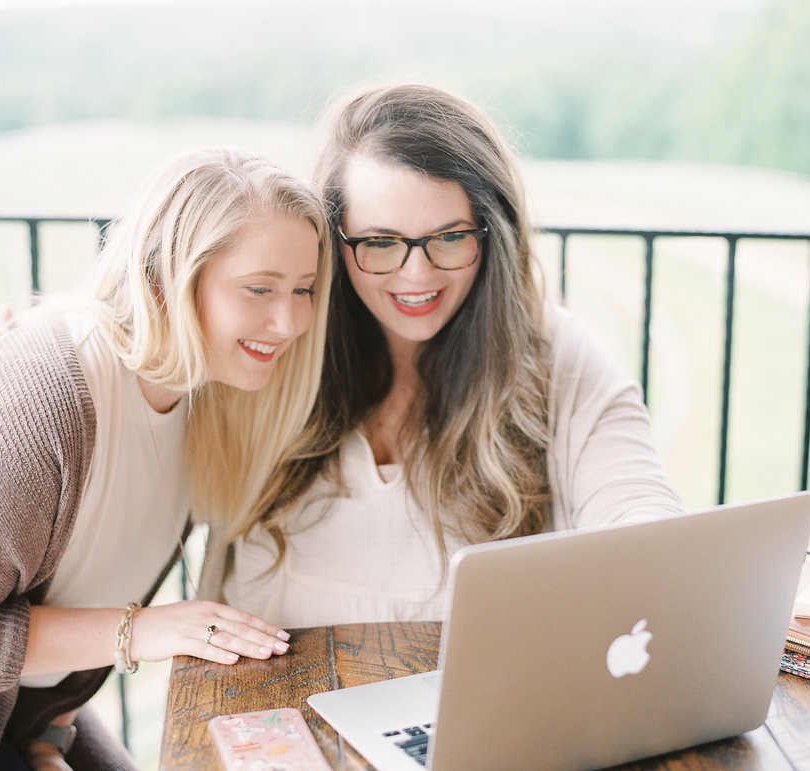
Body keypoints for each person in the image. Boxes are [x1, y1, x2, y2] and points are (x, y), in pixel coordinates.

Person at [0, 147, 332, 770]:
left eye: (304, 290)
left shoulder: (199, 401)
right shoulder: (43, 401)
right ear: (166, 275)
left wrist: (48, 738)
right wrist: (147, 629)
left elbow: (75, 589)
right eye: (259, 288)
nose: (290, 320)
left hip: (15, 714)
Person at [214, 83, 686, 627]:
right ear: (334, 240)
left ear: (492, 235)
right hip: (268, 707)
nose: (418, 274)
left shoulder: (556, 354)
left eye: (450, 237)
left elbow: (641, 510)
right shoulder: (273, 345)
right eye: (381, 242)